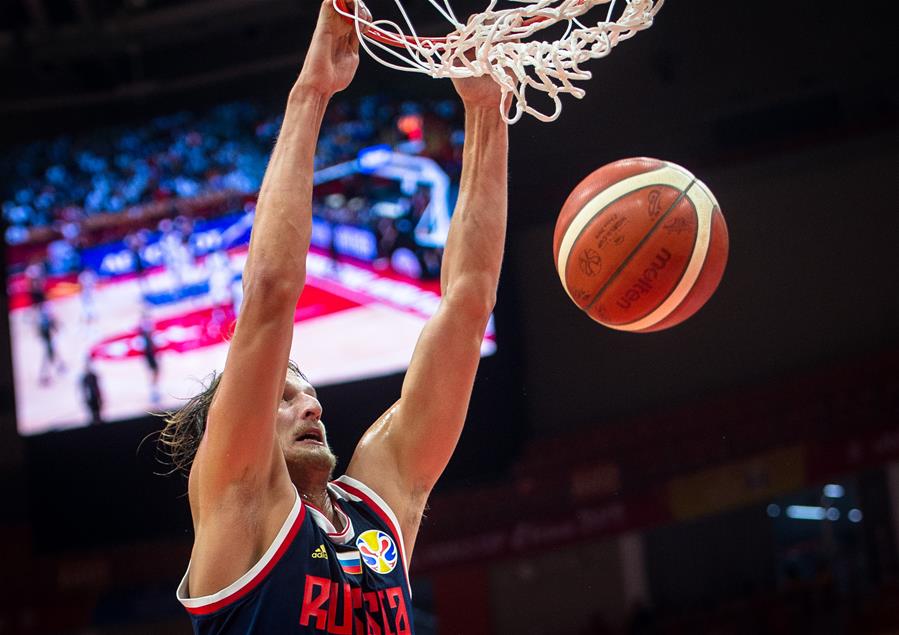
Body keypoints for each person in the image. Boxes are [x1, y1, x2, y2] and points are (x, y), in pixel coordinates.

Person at [161, 1, 508, 632]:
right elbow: (268, 294)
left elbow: (469, 300)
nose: (313, 407)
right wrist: (312, 91)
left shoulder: (378, 510)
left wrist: (486, 109)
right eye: (287, 398)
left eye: (309, 394)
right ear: (233, 424)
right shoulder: (238, 510)